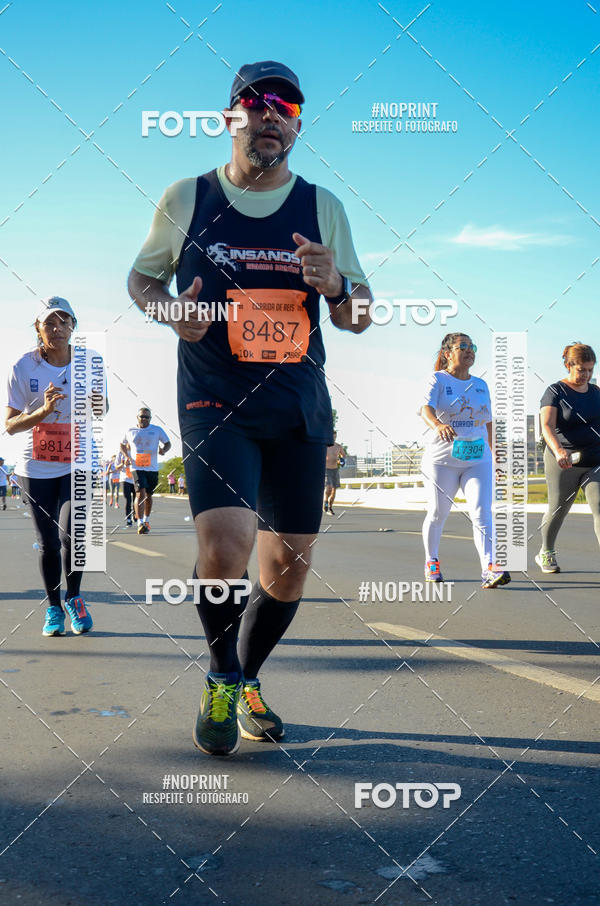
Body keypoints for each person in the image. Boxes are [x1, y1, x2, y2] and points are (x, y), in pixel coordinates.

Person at [127, 60, 372, 756]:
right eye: (257, 103)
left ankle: (247, 676)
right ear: (231, 118)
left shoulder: (322, 206)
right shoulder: (188, 197)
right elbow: (141, 278)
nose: (271, 116)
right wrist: (167, 310)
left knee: (287, 567)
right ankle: (220, 674)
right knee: (224, 547)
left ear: (296, 125)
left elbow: (358, 315)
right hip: (215, 400)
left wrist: (337, 287)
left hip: (296, 405)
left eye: (285, 108)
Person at [5, 296, 100, 636]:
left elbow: (102, 409)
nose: (57, 328)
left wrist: (95, 402)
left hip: (79, 460)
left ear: (74, 326)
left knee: (73, 535)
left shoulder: (91, 361)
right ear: (38, 328)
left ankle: (74, 597)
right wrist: (43, 412)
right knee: (48, 543)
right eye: (49, 323)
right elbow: (10, 425)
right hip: (37, 465)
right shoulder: (23, 366)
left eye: (64, 321)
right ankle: (54, 608)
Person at [419, 332, 511, 590]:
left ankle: (490, 568)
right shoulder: (437, 379)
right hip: (442, 461)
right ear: (448, 353)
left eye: (472, 346)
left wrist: (497, 457)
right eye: (463, 346)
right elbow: (425, 409)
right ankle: (431, 561)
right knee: (437, 513)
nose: (470, 350)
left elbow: (488, 422)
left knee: (482, 512)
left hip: (477, 459)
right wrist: (438, 425)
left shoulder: (481, 385)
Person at [537, 343, 600, 573]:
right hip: (563, 459)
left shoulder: (596, 393)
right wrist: (558, 451)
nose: (586, 375)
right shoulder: (555, 392)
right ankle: (546, 551)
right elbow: (546, 425)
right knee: (558, 508)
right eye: (581, 369)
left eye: (590, 370)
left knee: (599, 505)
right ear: (568, 365)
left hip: (594, 458)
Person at [120, 409, 171, 534]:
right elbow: (122, 444)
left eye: (147, 417)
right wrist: (127, 457)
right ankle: (140, 522)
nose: (144, 419)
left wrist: (164, 450)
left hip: (152, 468)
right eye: (142, 416)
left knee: (148, 496)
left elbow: (168, 443)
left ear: (150, 418)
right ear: (137, 417)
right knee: (140, 494)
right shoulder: (130, 430)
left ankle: (146, 520)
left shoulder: (157, 430)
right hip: (136, 467)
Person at [324, 431, 345, 515]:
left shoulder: (338, 446)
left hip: (335, 470)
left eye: (335, 437)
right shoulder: (325, 446)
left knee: (334, 490)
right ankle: (325, 502)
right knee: (328, 488)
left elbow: (343, 455)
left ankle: (330, 507)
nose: (334, 438)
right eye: (333, 437)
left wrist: (341, 460)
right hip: (327, 470)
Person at [116, 450, 135, 527]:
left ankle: (135, 514)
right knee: (128, 500)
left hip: (135, 478)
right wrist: (123, 464)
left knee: (136, 500)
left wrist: (133, 463)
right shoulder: (120, 453)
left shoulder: (136, 449)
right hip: (125, 479)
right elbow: (117, 467)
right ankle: (128, 519)